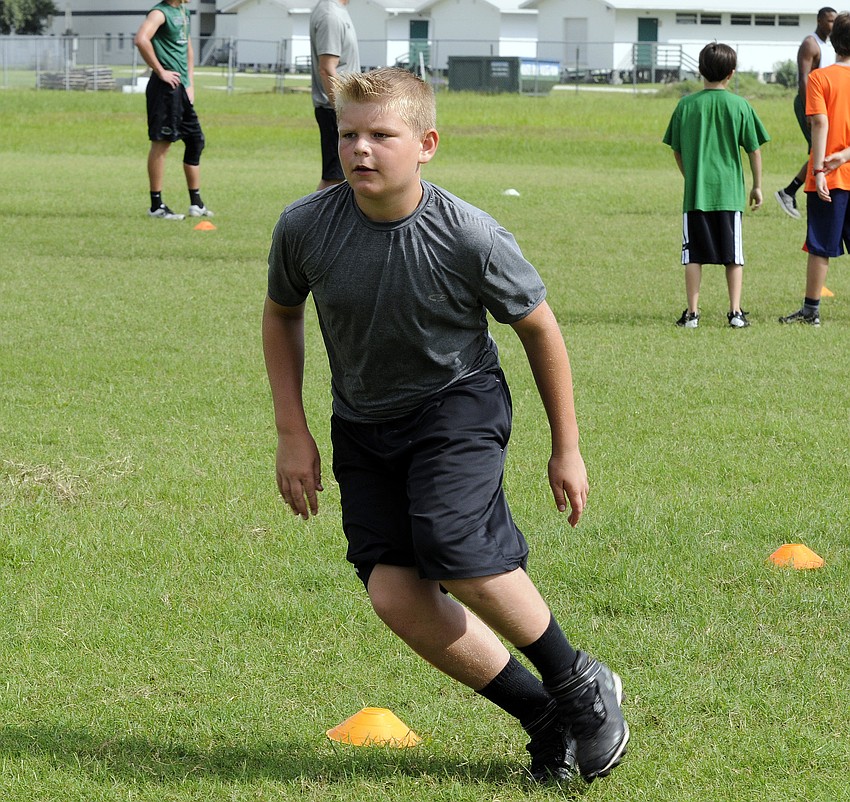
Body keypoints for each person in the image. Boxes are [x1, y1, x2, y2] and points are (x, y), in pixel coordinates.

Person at [263, 68, 629, 784]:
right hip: (362, 421)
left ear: (426, 143)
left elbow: (540, 329)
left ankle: (579, 682)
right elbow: (281, 315)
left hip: (457, 402)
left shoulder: (469, 235)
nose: (360, 149)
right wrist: (291, 430)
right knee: (394, 592)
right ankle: (542, 714)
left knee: (453, 545)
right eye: (348, 135)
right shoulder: (305, 226)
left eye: (381, 135)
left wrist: (568, 448)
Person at [663, 42, 769, 329]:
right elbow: (754, 149)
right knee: (733, 256)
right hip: (730, 194)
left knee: (693, 255)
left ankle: (692, 313)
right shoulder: (740, 105)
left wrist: (691, 176)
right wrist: (757, 186)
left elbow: (676, 149)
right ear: (731, 73)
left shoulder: (686, 105)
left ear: (700, 71)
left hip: (696, 194)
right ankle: (735, 312)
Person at [779, 12, 850, 325]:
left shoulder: (820, 79)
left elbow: (820, 123)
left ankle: (811, 312)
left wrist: (819, 169)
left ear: (832, 41)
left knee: (820, 246)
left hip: (831, 179)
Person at [135, 0, 213, 221]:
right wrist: (160, 71)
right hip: (164, 89)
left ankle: (196, 204)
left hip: (181, 87)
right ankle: (156, 206)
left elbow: (187, 48)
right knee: (163, 143)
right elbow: (141, 40)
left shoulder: (183, 11)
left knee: (196, 140)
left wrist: (190, 83)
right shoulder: (160, 13)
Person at [774, 7, 837, 219]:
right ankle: (790, 192)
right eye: (829, 21)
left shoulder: (829, 45)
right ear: (819, 21)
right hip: (808, 103)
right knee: (819, 151)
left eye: (835, 22)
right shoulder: (810, 43)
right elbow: (804, 79)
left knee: (822, 151)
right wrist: (810, 111)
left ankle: (790, 191)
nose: (832, 25)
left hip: (824, 105)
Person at [309, 0, 360, 191]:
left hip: (344, 107)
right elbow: (327, 68)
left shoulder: (339, 11)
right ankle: (310, 221)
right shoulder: (329, 15)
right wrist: (342, 111)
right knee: (334, 180)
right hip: (335, 108)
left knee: (340, 177)